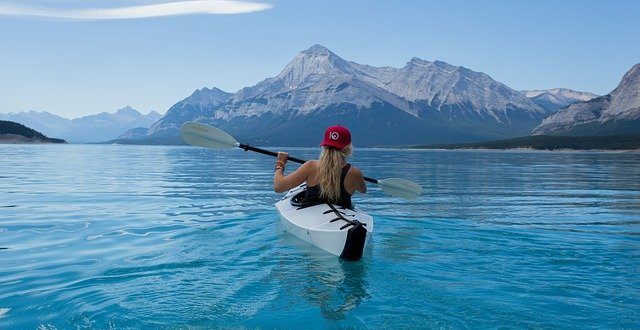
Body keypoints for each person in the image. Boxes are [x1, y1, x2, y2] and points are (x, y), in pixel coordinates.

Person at [273, 125, 366, 209]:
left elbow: (278, 187)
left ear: (324, 146)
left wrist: (280, 164)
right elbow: (362, 191)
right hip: (343, 218)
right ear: (348, 148)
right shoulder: (355, 173)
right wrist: (359, 179)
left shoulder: (311, 166)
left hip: (309, 217)